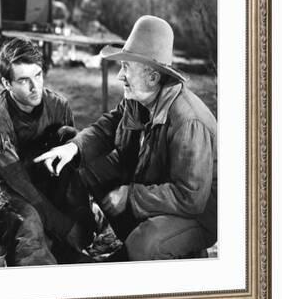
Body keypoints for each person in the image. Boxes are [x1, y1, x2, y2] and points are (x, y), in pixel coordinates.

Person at [35, 15, 217, 261]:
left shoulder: (188, 121)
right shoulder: (140, 99)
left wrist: (130, 195)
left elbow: (190, 199)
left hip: (197, 213)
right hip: (151, 185)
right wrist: (73, 148)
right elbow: (107, 127)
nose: (120, 75)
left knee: (146, 243)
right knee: (81, 171)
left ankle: (176, 254)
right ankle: (94, 240)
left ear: (152, 76)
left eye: (126, 67)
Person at [0, 37, 96, 266]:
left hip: (42, 175)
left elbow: (72, 166)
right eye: (23, 80)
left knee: (69, 135)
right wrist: (62, 226)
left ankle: (69, 252)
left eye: (38, 75)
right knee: (30, 221)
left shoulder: (58, 105)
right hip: (4, 184)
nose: (35, 87)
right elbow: (20, 184)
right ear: (6, 83)